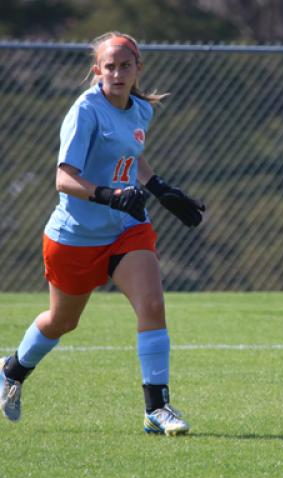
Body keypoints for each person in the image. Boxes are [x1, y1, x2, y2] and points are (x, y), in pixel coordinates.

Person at [0, 32, 205, 436]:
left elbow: (131, 157)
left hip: (127, 229)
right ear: (97, 70)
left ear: (137, 70)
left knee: (151, 304)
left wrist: (159, 189)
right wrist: (109, 195)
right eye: (109, 66)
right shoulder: (85, 111)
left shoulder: (141, 109)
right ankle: (11, 370)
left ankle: (156, 407)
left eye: (124, 65)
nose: (116, 72)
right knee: (61, 321)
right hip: (75, 235)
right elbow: (63, 178)